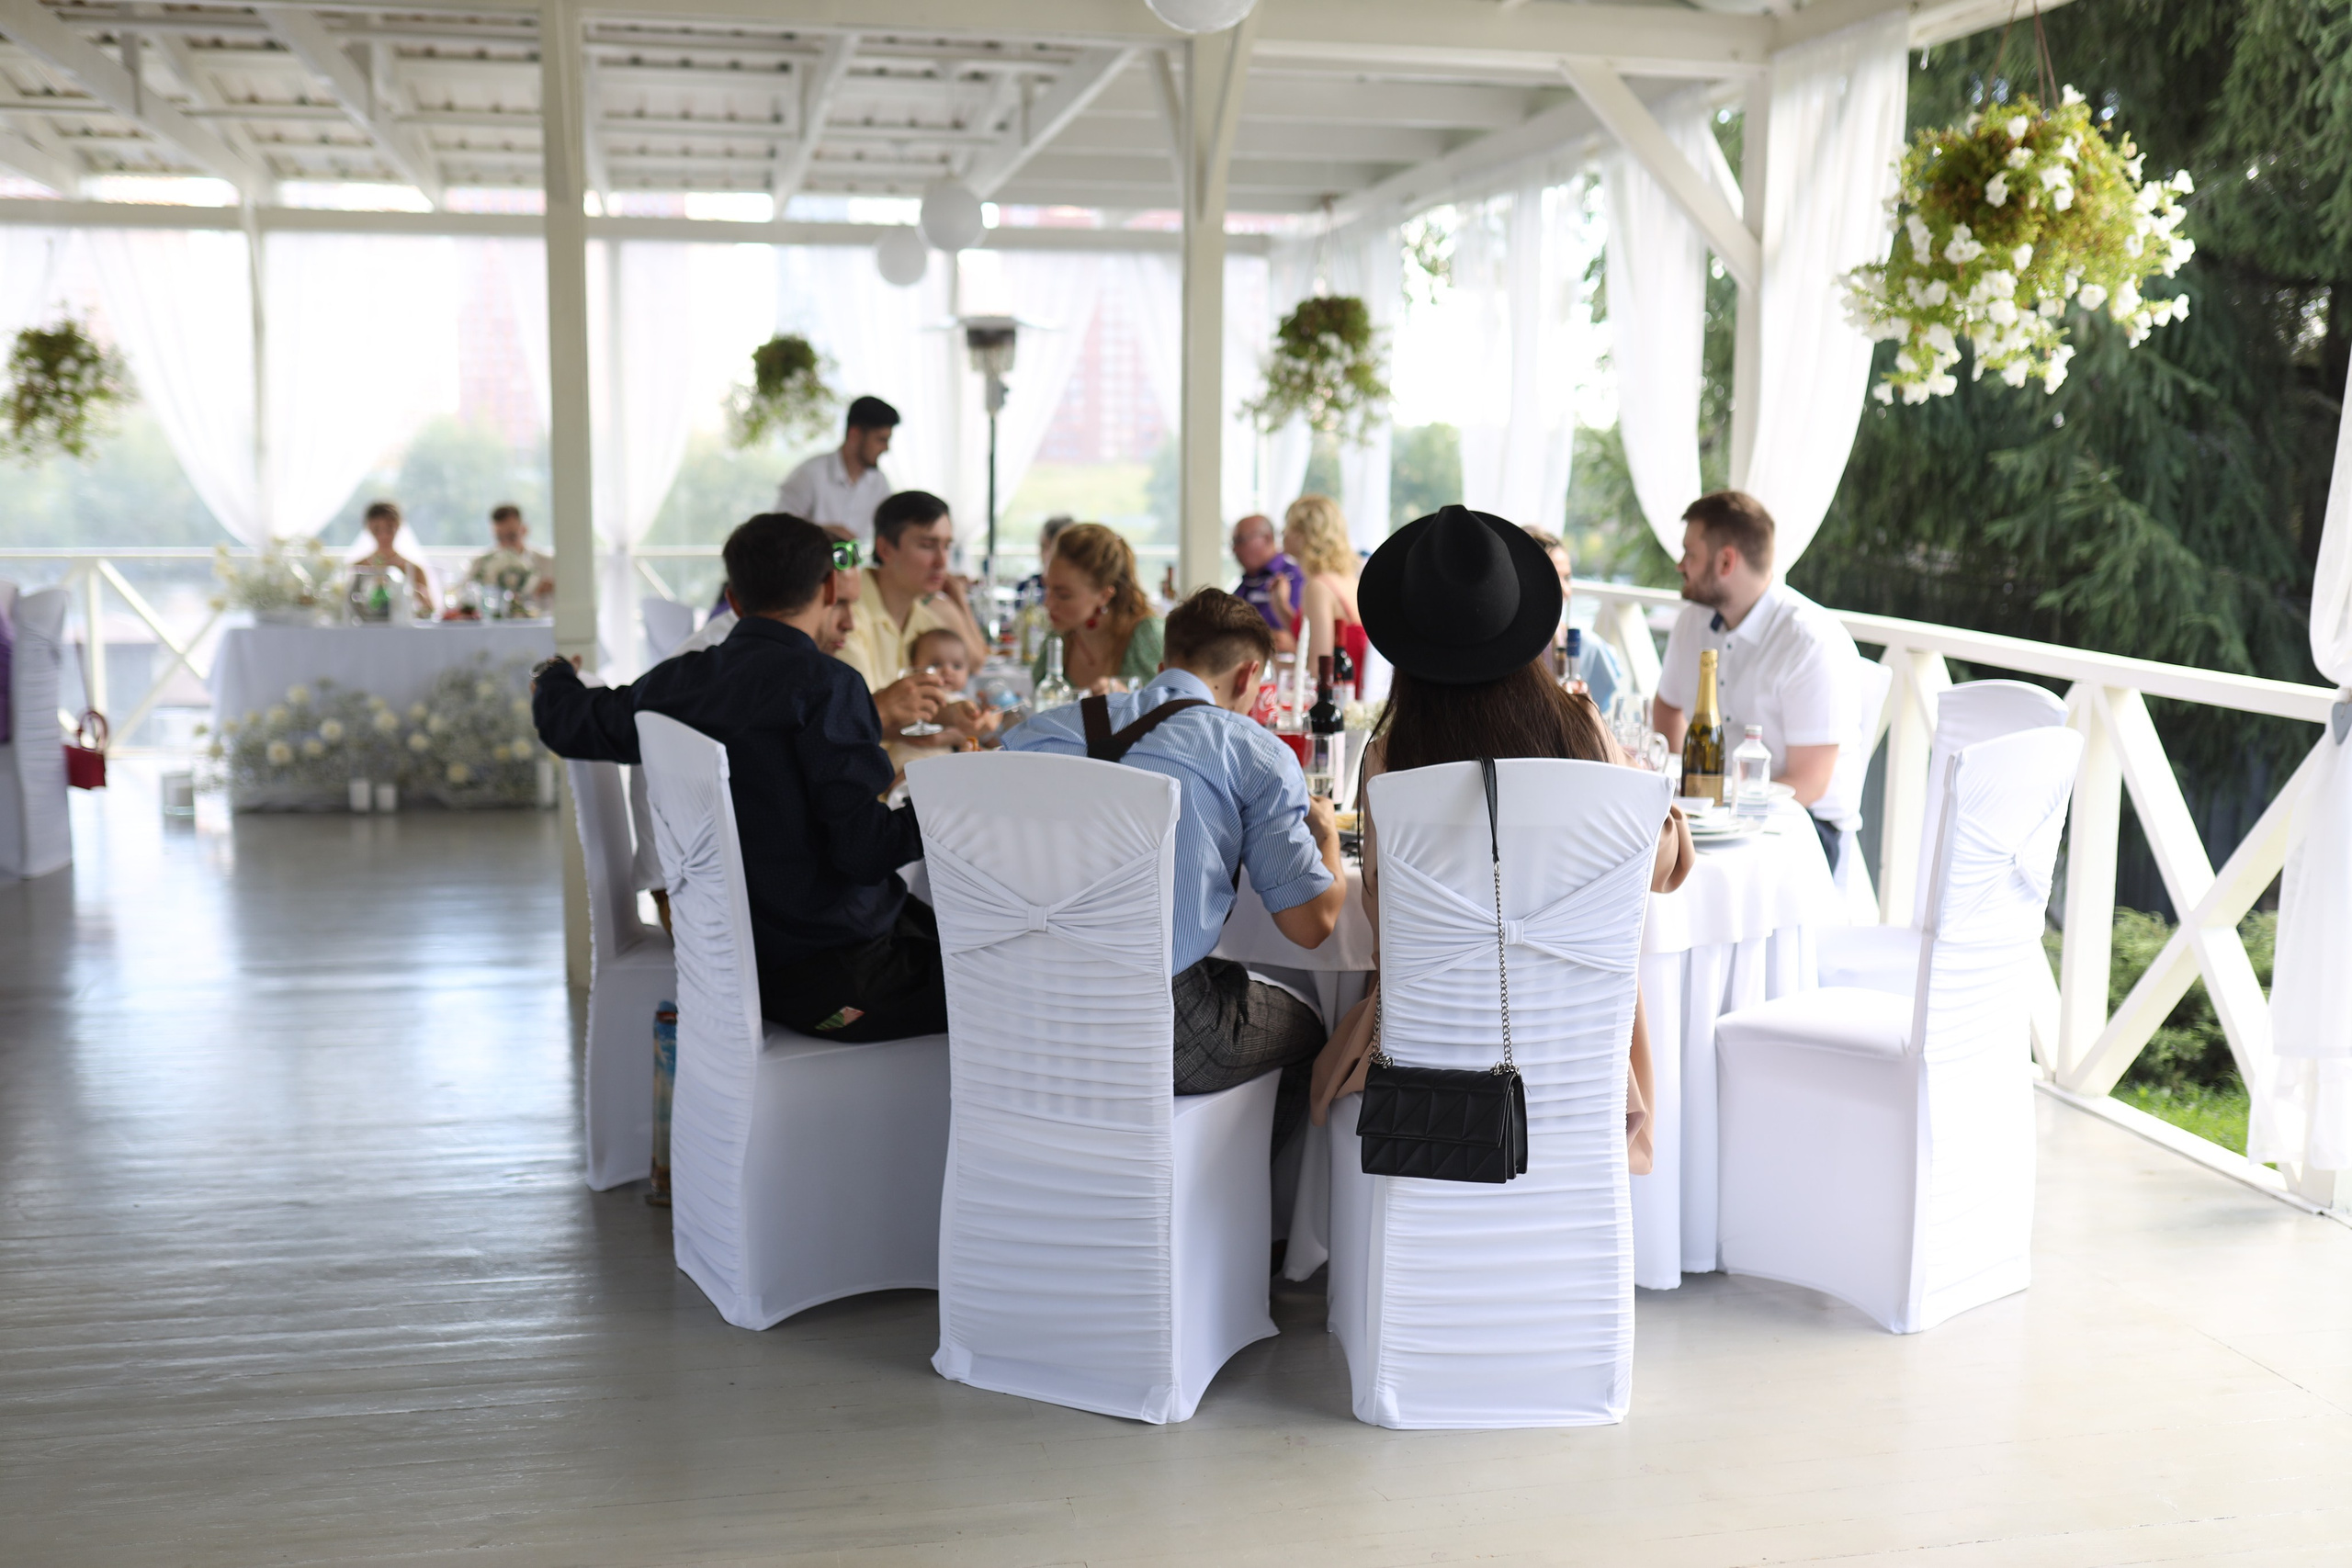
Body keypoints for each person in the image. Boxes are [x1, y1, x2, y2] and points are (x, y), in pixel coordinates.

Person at [1306, 505, 1693, 1173]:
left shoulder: (1392, 759)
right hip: (1579, 1058)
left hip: (1428, 1070)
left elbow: (1385, 923)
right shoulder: (1581, 729)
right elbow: (1655, 868)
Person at [531, 513, 946, 1041]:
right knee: (1012, 978)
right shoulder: (830, 687)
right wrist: (952, 802)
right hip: (840, 982)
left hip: (745, 966)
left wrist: (553, 676)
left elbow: (571, 722)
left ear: (735, 599)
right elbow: (864, 851)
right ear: (825, 587)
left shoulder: (677, 682)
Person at [1006, 587, 1346, 1142]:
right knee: (1309, 1031)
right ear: (1247, 677)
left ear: (1163, 666)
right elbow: (1312, 927)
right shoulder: (1251, 751)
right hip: (1160, 1032)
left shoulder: (1041, 733)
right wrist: (1326, 833)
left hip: (1024, 1012)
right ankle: (1241, 1209)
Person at [1648, 490, 1861, 870]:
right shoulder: (1693, 621)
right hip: (1712, 811)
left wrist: (1720, 807)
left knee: (1679, 871)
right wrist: (1689, 787)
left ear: (1726, 561)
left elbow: (1809, 783)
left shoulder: (1809, 641)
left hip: (1801, 826)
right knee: (1640, 853)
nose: (1680, 565)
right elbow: (1667, 707)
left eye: (1690, 554)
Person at [834, 491, 989, 698]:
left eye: (946, 546)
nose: (942, 562)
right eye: (927, 545)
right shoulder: (846, 615)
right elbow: (858, 713)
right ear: (885, 549)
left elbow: (972, 666)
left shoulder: (926, 621)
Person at [1032, 523, 1165, 694]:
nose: (1047, 603)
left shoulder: (1147, 636)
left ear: (1104, 596)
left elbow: (1183, 710)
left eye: (1063, 594)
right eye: (1046, 588)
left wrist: (1130, 700)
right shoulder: (1059, 638)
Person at [1521, 525, 1629, 719]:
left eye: (1567, 578)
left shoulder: (1590, 650)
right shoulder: (1503, 654)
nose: (1565, 590)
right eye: (1553, 577)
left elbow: (1604, 727)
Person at [775, 395, 899, 545]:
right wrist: (822, 532)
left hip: (852, 567)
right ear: (855, 434)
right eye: (881, 440)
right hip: (807, 567)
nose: (886, 448)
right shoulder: (810, 474)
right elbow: (777, 531)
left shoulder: (879, 483)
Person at [1282, 494, 1368, 677]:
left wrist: (1273, 669)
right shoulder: (1350, 580)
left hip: (1339, 695)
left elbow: (1318, 668)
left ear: (1303, 535)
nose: (1283, 533)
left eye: (1288, 525)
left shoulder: (1318, 587)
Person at [1230, 513, 1304, 649]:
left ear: (1267, 538)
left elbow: (1299, 638)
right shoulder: (1244, 587)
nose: (1234, 549)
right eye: (1233, 542)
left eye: (1240, 540)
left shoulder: (1296, 578)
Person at [465, 502, 554, 614]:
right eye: (500, 538)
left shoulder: (548, 564)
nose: (506, 544)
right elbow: (463, 599)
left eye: (512, 536)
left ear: (524, 530)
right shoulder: (480, 563)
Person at [352, 501, 435, 616]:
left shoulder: (414, 569)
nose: (384, 535)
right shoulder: (358, 567)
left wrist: (418, 597)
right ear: (368, 528)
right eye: (377, 529)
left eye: (389, 529)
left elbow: (430, 610)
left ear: (398, 526)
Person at [1013, 514, 1075, 612]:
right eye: (1043, 547)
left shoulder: (1077, 590)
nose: (1047, 555)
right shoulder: (1026, 587)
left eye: (1054, 549)